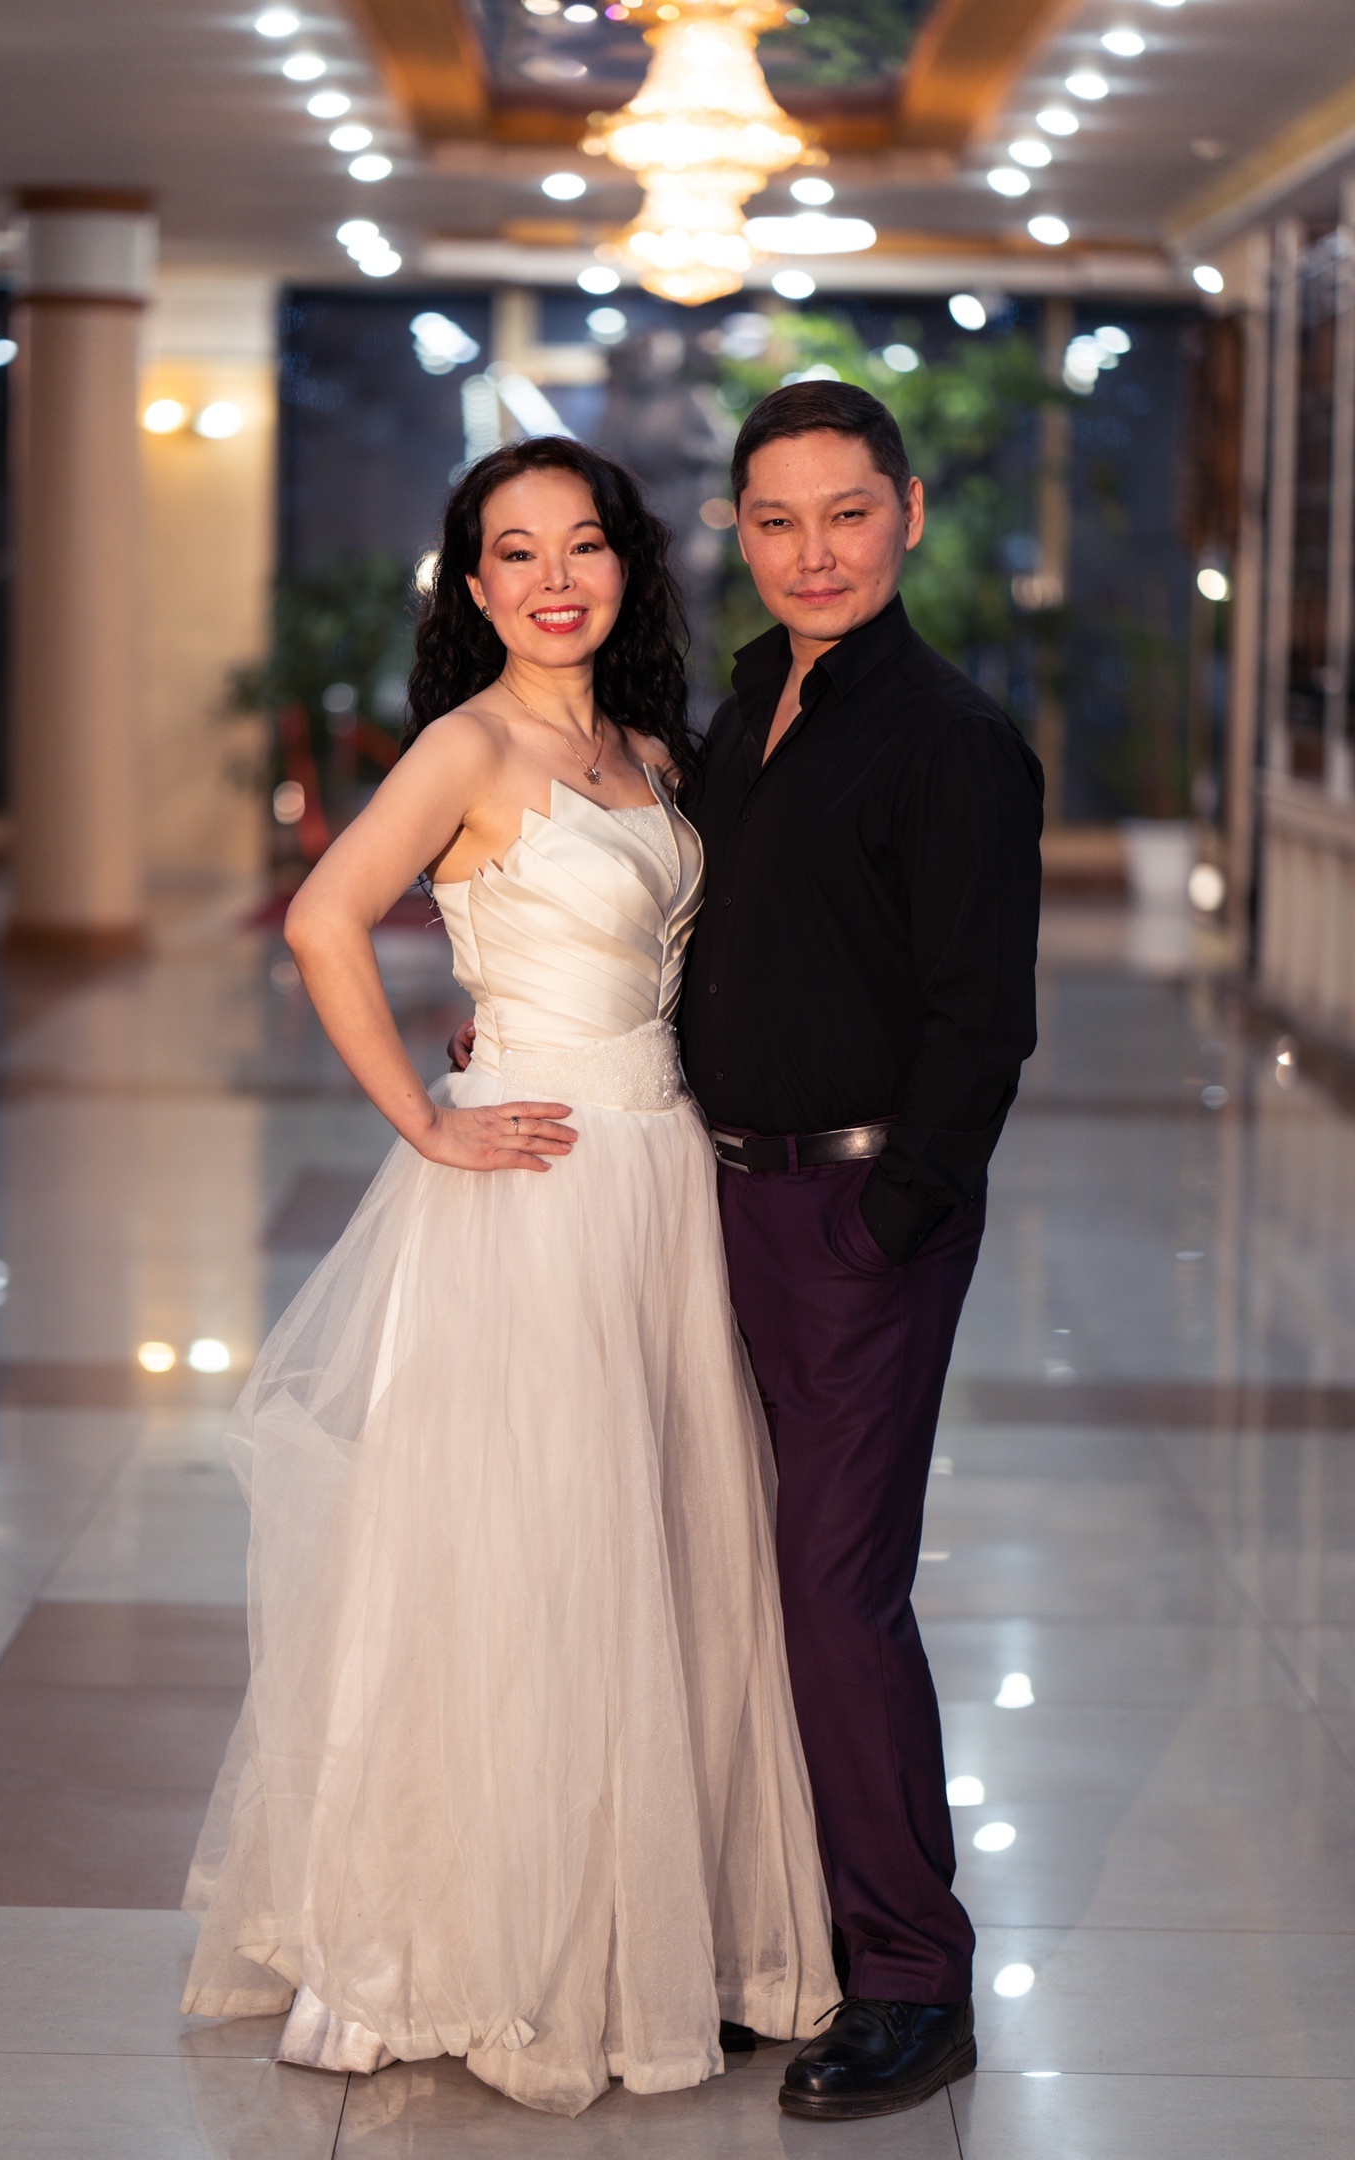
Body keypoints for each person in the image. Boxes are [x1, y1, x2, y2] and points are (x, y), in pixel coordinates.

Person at [179, 437, 837, 2119]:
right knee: (527, 1555)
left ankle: (654, 1930)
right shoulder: (467, 745)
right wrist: (429, 1119)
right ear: (474, 586)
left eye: (582, 545)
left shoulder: (650, 751)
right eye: (516, 551)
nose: (554, 578)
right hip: (533, 1186)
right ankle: (477, 1944)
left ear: (625, 565)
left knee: (659, 1549)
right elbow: (324, 918)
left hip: (660, 1179)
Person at [679, 381, 1043, 2121]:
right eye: (777, 519)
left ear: (908, 513)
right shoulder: (747, 705)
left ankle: (910, 1977)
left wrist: (895, 1216)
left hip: (852, 1212)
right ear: (739, 532)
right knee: (724, 1572)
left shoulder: (949, 738)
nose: (811, 552)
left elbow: (983, 1018)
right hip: (709, 1198)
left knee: (834, 1592)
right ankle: (785, 1937)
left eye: (845, 513)